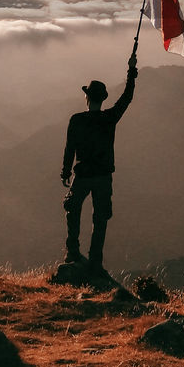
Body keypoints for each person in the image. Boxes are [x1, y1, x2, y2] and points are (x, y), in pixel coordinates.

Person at [61, 52, 137, 275]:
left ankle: (72, 251)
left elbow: (70, 148)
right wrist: (131, 71)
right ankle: (95, 261)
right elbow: (127, 97)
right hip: (103, 177)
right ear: (102, 99)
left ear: (87, 98)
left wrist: (65, 171)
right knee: (100, 218)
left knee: (72, 209)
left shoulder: (76, 120)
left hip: (82, 175)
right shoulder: (109, 119)